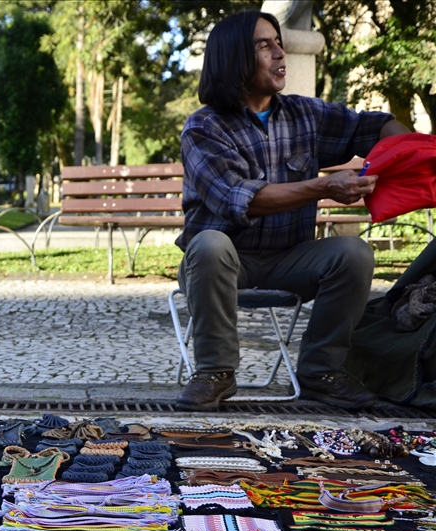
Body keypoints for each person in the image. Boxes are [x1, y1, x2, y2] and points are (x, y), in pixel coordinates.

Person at [175, 11, 411, 411]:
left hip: (291, 259)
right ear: (234, 58)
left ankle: (322, 372)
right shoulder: (204, 128)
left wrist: (416, 151)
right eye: (264, 45)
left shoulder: (306, 115)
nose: (279, 52)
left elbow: (377, 126)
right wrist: (324, 186)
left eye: (278, 42)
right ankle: (215, 373)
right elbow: (242, 198)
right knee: (210, 244)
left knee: (353, 253)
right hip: (225, 261)